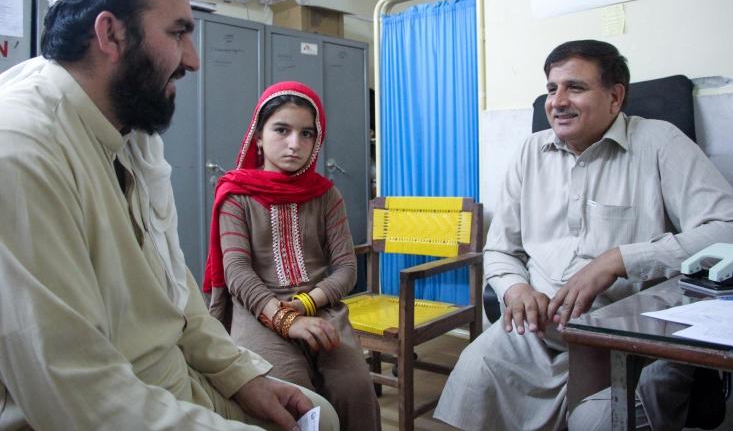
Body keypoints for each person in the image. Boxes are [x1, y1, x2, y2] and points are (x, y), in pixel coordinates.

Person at [0, 0, 339, 431]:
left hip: (168, 379)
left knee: (321, 416)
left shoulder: (130, 131)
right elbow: (78, 397)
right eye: (178, 31)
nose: (193, 58)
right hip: (90, 408)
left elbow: (173, 290)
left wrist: (245, 378)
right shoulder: (14, 149)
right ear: (111, 33)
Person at [434, 39, 733, 431]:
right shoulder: (530, 152)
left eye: (574, 87)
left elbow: (726, 230)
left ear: (615, 96)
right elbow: (500, 249)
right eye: (551, 88)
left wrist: (620, 260)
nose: (557, 101)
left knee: (596, 421)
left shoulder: (660, 142)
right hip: (540, 330)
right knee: (471, 379)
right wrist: (515, 290)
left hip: (633, 340)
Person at [204, 81, 382, 431]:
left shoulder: (326, 195)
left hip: (320, 310)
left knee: (355, 389)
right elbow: (237, 272)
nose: (294, 144)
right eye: (281, 130)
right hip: (258, 312)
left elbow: (346, 267)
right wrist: (286, 320)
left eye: (306, 134)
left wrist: (304, 305)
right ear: (258, 136)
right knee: (292, 398)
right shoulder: (236, 195)